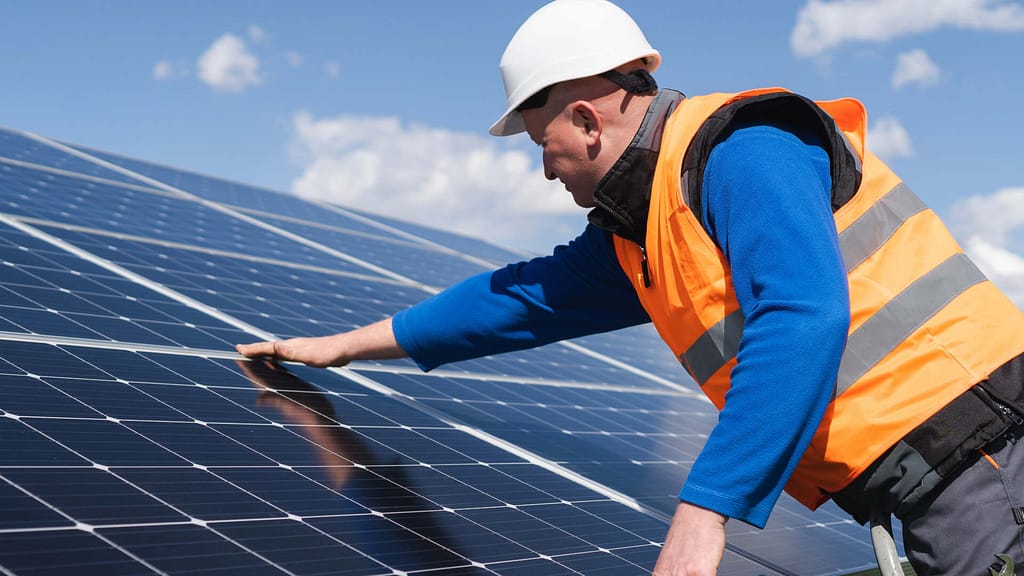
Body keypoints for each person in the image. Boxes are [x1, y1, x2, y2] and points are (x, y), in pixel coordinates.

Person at [237, 1, 1024, 574]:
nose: (544, 168)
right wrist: (342, 348)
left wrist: (703, 513)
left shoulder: (742, 151)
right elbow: (514, 301)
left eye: (542, 145)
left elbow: (804, 315)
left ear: (584, 119)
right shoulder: (639, 231)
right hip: (936, 488)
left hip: (989, 463)